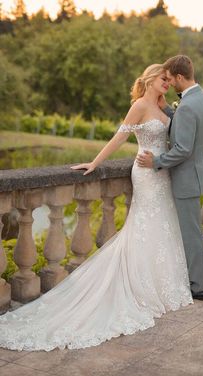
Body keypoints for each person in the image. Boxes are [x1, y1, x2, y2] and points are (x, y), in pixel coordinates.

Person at [0, 64, 192, 352]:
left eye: (169, 80)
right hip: (145, 175)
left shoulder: (165, 105)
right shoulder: (139, 105)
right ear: (150, 79)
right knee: (143, 226)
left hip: (163, 174)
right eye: (163, 79)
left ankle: (162, 286)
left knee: (163, 226)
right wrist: (95, 163)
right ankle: (139, 288)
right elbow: (119, 137)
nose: (167, 83)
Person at [137, 55, 203, 301]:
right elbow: (184, 126)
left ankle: (199, 287)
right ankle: (195, 280)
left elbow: (182, 149)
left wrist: (156, 162)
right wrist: (167, 109)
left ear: (180, 76)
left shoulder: (189, 104)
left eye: (170, 78)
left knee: (191, 235)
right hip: (196, 175)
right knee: (191, 232)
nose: (169, 83)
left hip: (186, 180)